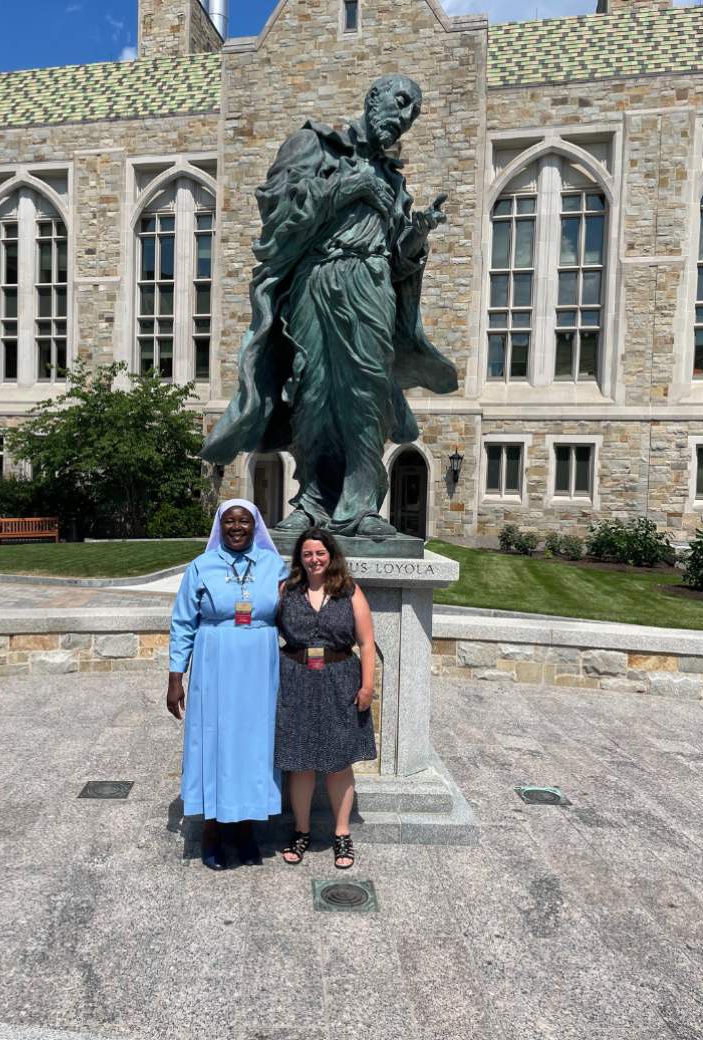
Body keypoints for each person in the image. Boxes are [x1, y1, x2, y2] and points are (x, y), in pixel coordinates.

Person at [201, 74, 458, 537]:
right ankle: (312, 502)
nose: (404, 119)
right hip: (316, 280)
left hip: (370, 285)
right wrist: (349, 187)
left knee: (368, 392)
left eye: (413, 115)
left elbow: (398, 261)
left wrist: (417, 233)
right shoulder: (313, 145)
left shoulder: (394, 183)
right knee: (311, 389)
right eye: (400, 104)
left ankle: (362, 505)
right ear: (372, 98)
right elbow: (277, 211)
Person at [166, 499, 288, 871]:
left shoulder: (274, 566)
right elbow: (183, 622)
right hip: (214, 665)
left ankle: (246, 830)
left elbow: (295, 615)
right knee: (216, 743)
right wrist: (176, 676)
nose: (237, 527)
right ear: (220, 526)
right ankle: (212, 832)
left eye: (244, 521)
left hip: (259, 668)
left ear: (256, 526)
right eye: (230, 521)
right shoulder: (201, 567)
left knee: (254, 743)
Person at [275, 528, 376, 869]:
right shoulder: (287, 591)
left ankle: (342, 835)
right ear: (299, 558)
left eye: (320, 553)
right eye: (307, 554)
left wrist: (367, 686)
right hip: (296, 680)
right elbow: (262, 628)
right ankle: (301, 832)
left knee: (338, 762)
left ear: (330, 555)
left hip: (339, 681)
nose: (314, 559)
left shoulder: (348, 590)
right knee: (299, 761)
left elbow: (366, 641)